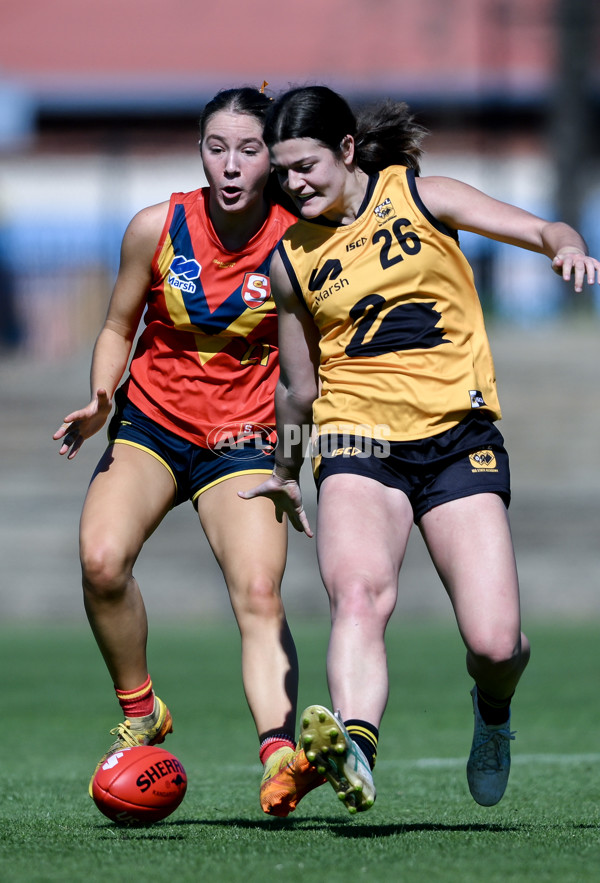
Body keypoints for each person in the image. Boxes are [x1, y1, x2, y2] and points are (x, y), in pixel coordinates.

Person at [241, 85, 600, 814]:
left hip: (454, 436)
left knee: (498, 644)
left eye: (305, 165)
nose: (294, 183)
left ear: (345, 151)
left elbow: (546, 228)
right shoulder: (290, 259)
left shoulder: (425, 196)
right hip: (354, 435)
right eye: (282, 172)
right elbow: (298, 387)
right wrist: (284, 469)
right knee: (361, 593)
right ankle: (357, 747)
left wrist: (567, 247)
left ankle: (493, 714)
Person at [53, 86, 322, 818]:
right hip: (152, 424)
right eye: (216, 147)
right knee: (102, 561)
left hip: (244, 441)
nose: (231, 165)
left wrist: (293, 460)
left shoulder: (302, 241)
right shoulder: (156, 226)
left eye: (249, 148)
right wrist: (103, 394)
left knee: (260, 593)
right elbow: (116, 325)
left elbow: (311, 373)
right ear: (198, 149)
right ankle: (143, 711)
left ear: (274, 157)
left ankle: (280, 758)